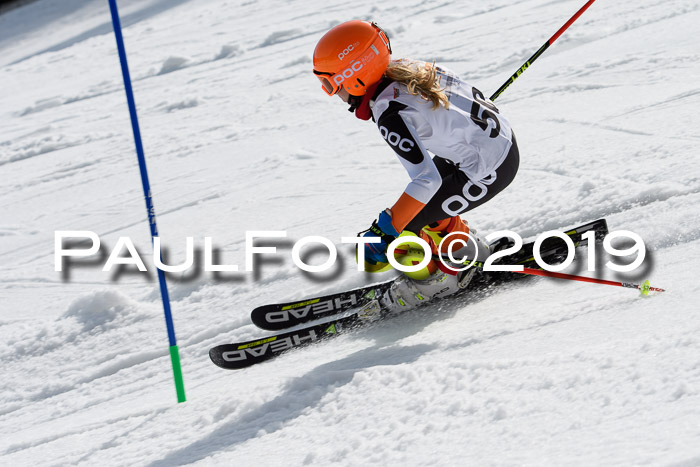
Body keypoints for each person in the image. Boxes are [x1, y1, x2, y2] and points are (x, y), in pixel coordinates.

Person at [312, 20, 519, 318]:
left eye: (330, 84)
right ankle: (464, 251)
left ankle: (434, 283)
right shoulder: (406, 68)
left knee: (404, 228)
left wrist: (385, 230)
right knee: (423, 207)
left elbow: (425, 179)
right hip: (495, 147)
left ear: (354, 76)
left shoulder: (389, 111)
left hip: (488, 168)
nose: (333, 93)